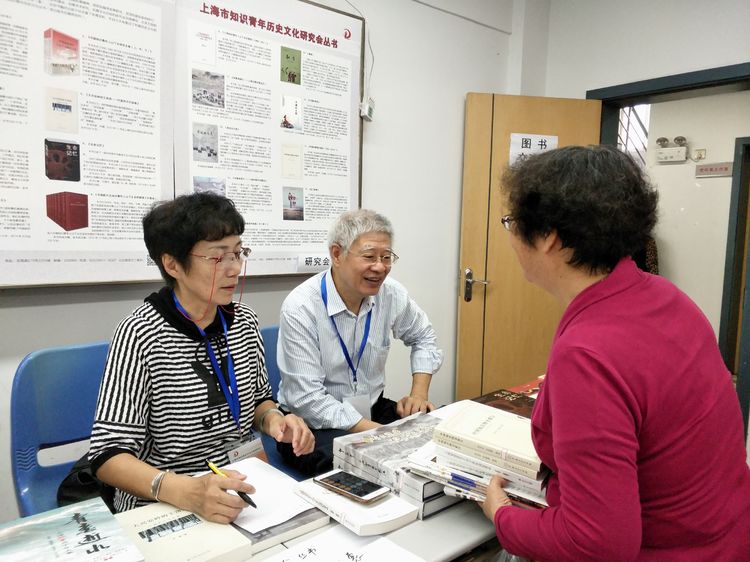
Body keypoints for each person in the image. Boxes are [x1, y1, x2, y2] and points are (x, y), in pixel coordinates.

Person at [480, 145, 750, 560]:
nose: (512, 237)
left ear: (549, 236)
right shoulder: (667, 297)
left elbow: (597, 543)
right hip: (727, 536)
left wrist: (503, 518)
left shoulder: (585, 354)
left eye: (513, 223)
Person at [89, 193, 314, 522]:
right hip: (166, 499)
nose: (234, 268)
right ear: (172, 264)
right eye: (217, 258)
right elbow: (107, 456)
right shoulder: (140, 333)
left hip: (244, 484)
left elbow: (258, 402)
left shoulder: (244, 322)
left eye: (238, 253)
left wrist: (277, 421)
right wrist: (186, 492)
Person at [276, 209, 443, 475]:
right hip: (313, 426)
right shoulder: (301, 307)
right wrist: (385, 436)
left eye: (386, 257)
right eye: (369, 257)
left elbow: (424, 337)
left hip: (372, 410)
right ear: (337, 254)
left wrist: (418, 395)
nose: (380, 267)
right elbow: (307, 399)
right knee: (363, 468)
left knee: (440, 432)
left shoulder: (391, 295)